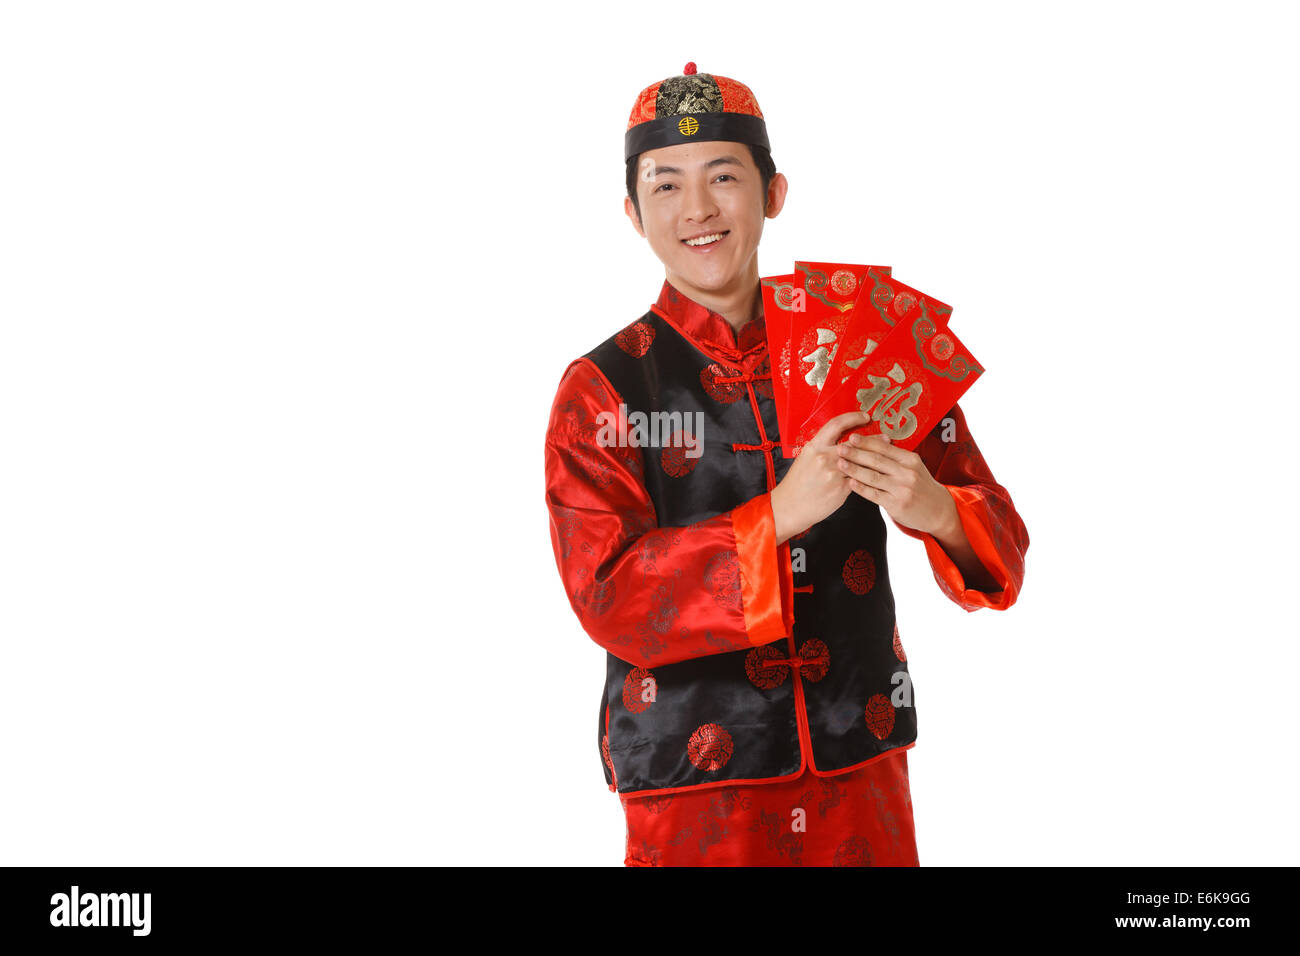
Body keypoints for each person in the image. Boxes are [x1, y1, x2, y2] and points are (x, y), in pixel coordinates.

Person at [543, 63, 1029, 866]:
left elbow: (1000, 547)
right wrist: (777, 516)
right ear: (632, 213)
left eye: (724, 177)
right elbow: (607, 594)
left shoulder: (861, 341)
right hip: (694, 788)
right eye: (665, 187)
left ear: (773, 193)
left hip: (861, 763)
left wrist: (937, 508)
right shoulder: (602, 387)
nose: (697, 210)